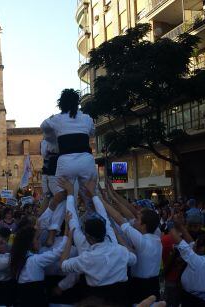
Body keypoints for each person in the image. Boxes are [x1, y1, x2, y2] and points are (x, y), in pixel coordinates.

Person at [59, 178, 136, 307]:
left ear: (88, 237)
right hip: (122, 301)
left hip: (96, 302)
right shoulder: (119, 249)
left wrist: (70, 193)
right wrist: (93, 193)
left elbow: (63, 264)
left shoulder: (86, 258)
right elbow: (133, 259)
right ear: (105, 230)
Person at [40, 89, 96, 202]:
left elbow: (43, 126)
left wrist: (52, 137)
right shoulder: (87, 118)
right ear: (77, 103)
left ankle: (51, 219)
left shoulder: (57, 119)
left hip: (66, 162)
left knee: (61, 198)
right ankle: (96, 218)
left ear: (61, 104)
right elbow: (93, 132)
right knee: (92, 197)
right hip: (86, 161)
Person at [10, 226, 66, 307]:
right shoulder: (33, 260)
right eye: (37, 239)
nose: (39, 242)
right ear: (29, 243)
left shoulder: (21, 258)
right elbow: (57, 253)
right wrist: (68, 235)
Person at [170, 225, 205, 306]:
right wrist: (180, 225)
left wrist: (170, 224)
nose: (193, 245)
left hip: (195, 301)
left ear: (202, 248)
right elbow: (190, 242)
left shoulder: (198, 261)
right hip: (199, 299)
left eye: (196, 244)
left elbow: (182, 244)